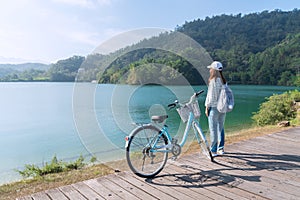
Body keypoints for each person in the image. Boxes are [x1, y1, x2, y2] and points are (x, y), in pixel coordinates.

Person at [205, 61, 227, 157]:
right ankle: (220, 148)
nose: (209, 70)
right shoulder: (224, 81)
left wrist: (207, 107)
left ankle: (213, 150)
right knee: (220, 128)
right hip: (223, 108)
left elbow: (210, 97)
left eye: (210, 69)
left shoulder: (213, 81)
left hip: (214, 108)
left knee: (213, 129)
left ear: (214, 70)